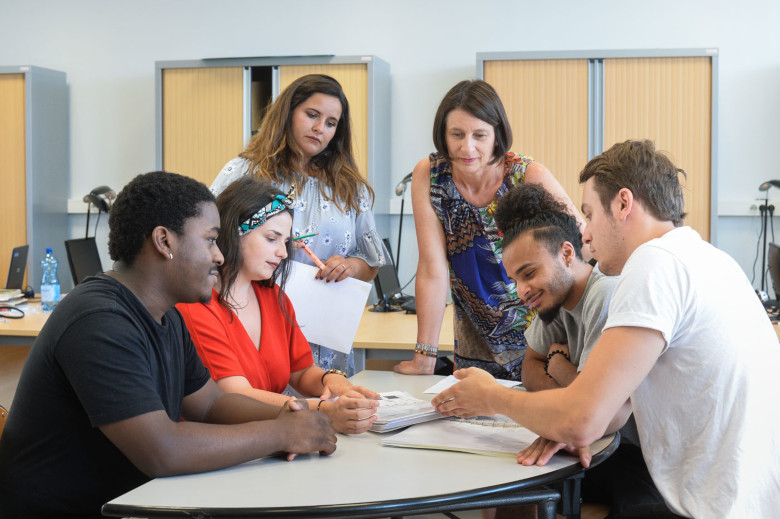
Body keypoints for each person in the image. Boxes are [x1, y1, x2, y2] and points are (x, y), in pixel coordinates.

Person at [433, 140, 780, 518]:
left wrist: (491, 397)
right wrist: (569, 420)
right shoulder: (710, 259)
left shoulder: (653, 265)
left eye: (589, 214)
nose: (585, 235)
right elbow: (600, 413)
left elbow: (582, 421)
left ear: (623, 204)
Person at [0, 171, 337, 519]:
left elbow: (209, 405)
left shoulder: (167, 315)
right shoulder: (98, 320)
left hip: (131, 501)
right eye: (209, 240)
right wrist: (280, 434)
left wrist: (293, 416)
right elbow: (163, 451)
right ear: (164, 241)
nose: (220, 256)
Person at [394, 79, 584, 379]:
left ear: (497, 135)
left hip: (544, 339)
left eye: (479, 135)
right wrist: (425, 356)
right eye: (456, 134)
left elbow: (583, 247)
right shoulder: (430, 176)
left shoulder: (527, 174)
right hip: (475, 337)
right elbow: (432, 269)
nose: (466, 147)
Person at [493, 182, 664, 517]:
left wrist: (558, 368)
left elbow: (597, 410)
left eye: (529, 274)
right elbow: (529, 368)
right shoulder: (554, 300)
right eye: (515, 279)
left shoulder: (605, 292)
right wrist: (565, 407)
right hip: (595, 443)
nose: (522, 291)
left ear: (567, 254)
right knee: (513, 485)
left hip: (636, 455)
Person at [210, 74, 389, 376]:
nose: (320, 129)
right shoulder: (245, 172)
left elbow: (371, 262)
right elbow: (208, 239)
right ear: (288, 113)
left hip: (325, 331)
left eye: (331, 123)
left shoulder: (348, 187)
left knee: (325, 406)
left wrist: (349, 266)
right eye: (312, 115)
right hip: (255, 321)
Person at [177, 177, 380, 434]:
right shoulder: (196, 307)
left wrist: (333, 381)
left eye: (285, 242)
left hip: (269, 438)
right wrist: (322, 410)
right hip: (219, 444)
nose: (283, 253)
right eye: (272, 239)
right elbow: (236, 394)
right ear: (234, 232)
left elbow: (301, 370)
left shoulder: (273, 296)